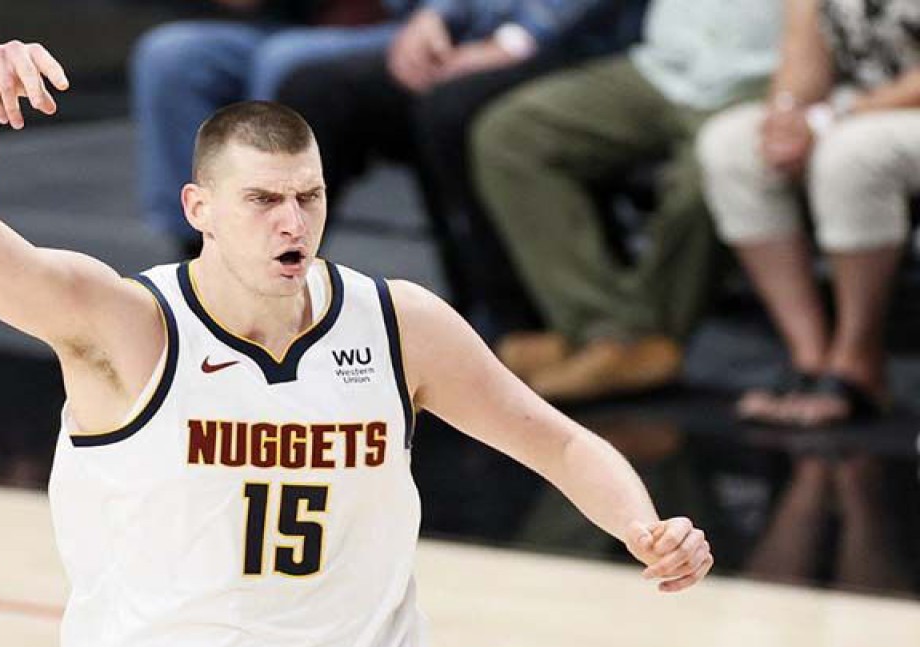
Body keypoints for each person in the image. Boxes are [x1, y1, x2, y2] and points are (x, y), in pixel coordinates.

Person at [0, 40, 714, 647]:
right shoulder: (125, 327)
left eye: (308, 196)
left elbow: (558, 441)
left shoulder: (398, 325)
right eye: (262, 200)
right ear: (199, 208)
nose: (293, 221)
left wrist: (643, 525)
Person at [468, 0, 783, 402]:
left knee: (711, 172)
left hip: (764, 76)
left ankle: (627, 343)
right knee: (511, 134)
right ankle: (603, 330)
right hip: (666, 66)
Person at [276, 0, 647, 320]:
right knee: (317, 91)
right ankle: (272, 290)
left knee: (450, 110)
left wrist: (515, 40)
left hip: (582, 47)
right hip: (479, 36)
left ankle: (501, 318)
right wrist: (435, 15)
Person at [695, 0, 920, 426]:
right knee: (731, 146)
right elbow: (803, 53)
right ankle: (810, 358)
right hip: (850, 109)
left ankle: (857, 360)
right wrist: (786, 116)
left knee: (853, 153)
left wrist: (831, 119)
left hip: (886, 111)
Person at [131, 0, 417, 256]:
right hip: (294, 23)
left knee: (282, 62)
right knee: (171, 55)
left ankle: (270, 241)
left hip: (408, 25)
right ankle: (200, 247)